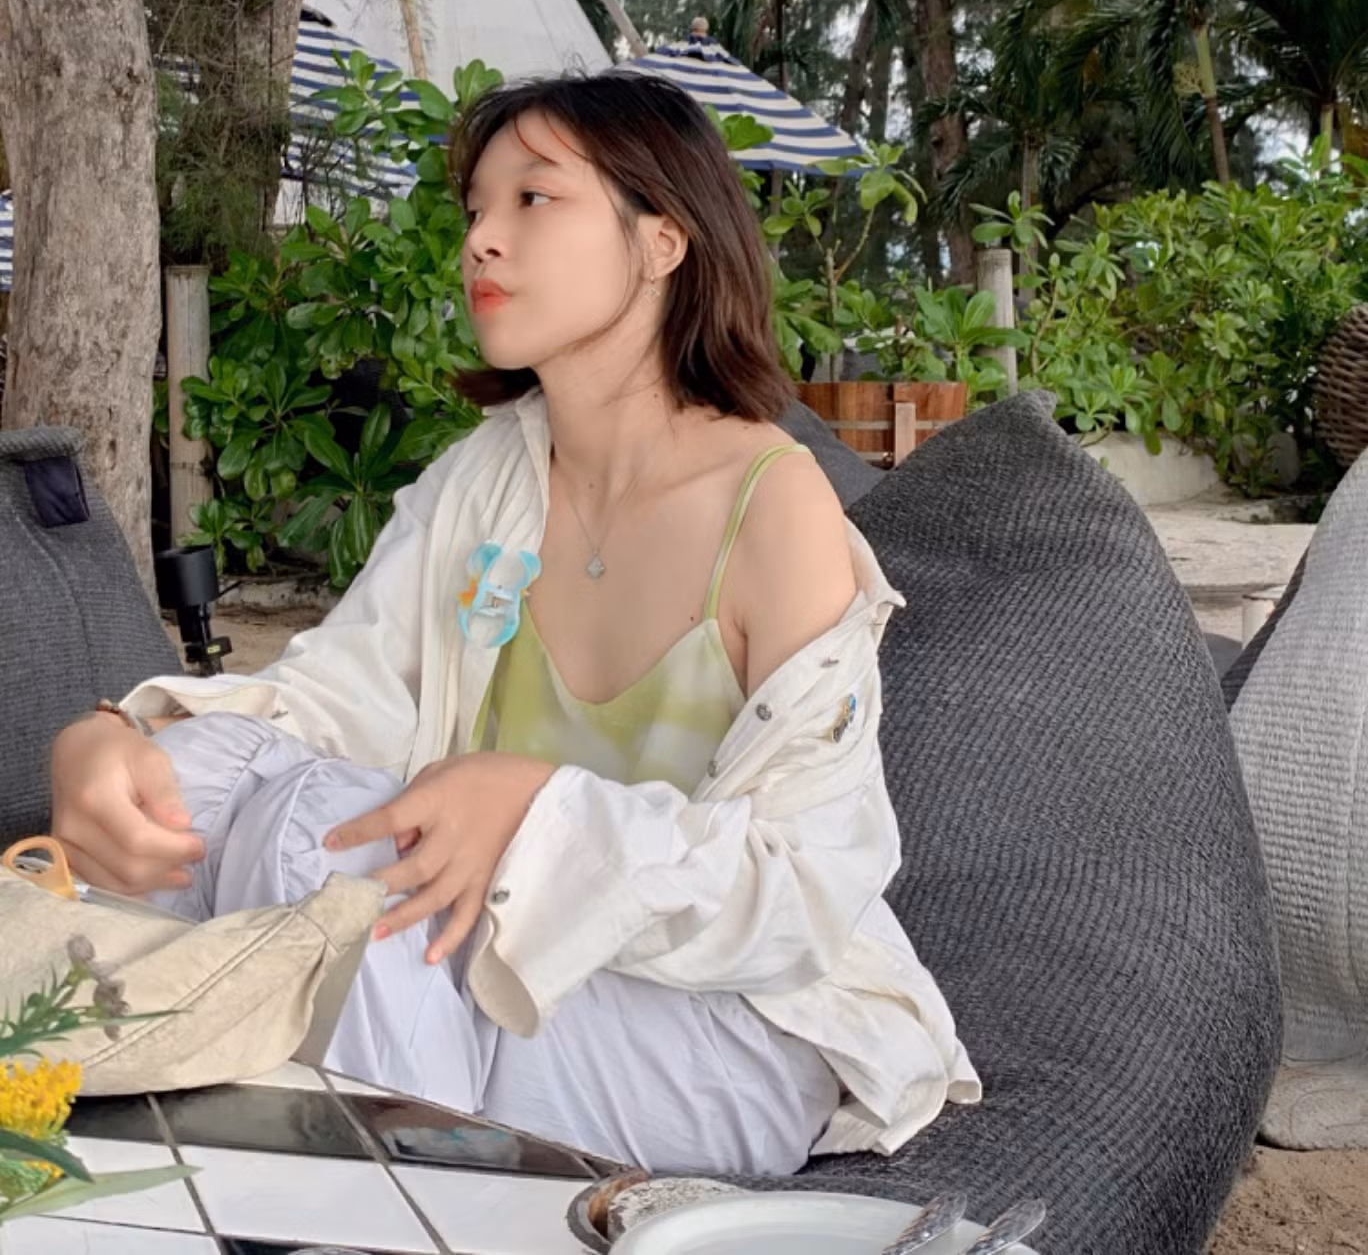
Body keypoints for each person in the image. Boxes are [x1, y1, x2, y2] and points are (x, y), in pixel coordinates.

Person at [47, 73, 979, 1173]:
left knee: (325, 841)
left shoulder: (772, 507)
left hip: (722, 1034)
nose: (481, 241)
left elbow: (804, 891)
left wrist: (539, 816)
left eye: (534, 199)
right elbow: (335, 699)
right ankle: (287, 1152)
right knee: (196, 784)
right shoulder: (485, 478)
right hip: (470, 974)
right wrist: (124, 737)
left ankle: (369, 1189)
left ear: (663, 242)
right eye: (476, 208)